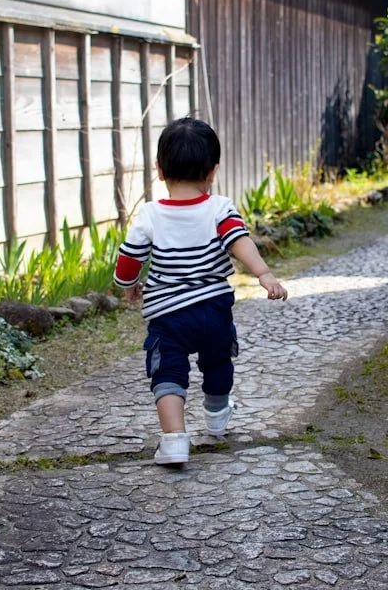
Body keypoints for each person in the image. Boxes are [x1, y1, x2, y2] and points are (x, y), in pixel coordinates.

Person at [113, 118, 288, 465]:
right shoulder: (219, 208)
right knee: (218, 361)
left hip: (167, 316)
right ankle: (217, 413)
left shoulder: (149, 215)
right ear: (212, 171)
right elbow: (238, 240)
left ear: (159, 170)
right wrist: (263, 273)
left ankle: (174, 439)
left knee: (167, 371)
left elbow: (129, 259)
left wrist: (128, 286)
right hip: (213, 311)